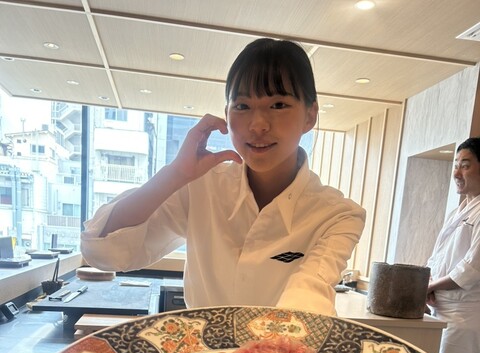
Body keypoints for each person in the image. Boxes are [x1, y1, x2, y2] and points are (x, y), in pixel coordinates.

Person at [81, 38, 365, 316]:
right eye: (242, 106)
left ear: (310, 115)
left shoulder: (337, 215)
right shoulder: (201, 186)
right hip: (200, 348)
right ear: (226, 115)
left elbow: (309, 295)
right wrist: (175, 174)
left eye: (278, 104)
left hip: (286, 346)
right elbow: (102, 250)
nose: (258, 125)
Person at [426, 137, 480, 353]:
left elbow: (471, 268)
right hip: (439, 310)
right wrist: (428, 283)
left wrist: (431, 287)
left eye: (465, 166)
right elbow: (438, 257)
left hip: (463, 315)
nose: (457, 173)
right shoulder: (459, 211)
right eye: (455, 165)